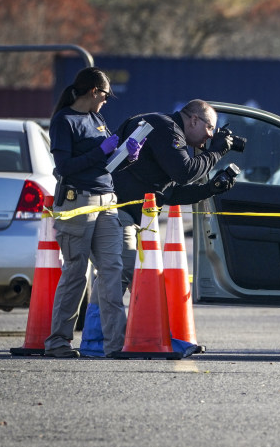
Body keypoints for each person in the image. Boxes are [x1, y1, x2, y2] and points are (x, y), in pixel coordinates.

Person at [82, 100, 235, 353]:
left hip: (120, 213)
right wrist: (217, 152)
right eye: (210, 129)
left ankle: (94, 341)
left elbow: (168, 193)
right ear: (194, 120)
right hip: (115, 213)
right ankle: (145, 340)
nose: (210, 137)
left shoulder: (163, 132)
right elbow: (185, 172)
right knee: (135, 272)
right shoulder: (165, 129)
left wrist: (210, 189)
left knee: (113, 276)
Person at [44, 67, 143, 358]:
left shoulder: (96, 118)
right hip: (78, 202)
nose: (106, 101)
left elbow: (107, 163)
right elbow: (65, 168)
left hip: (107, 200)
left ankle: (116, 345)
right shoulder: (64, 121)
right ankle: (58, 342)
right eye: (104, 95)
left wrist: (127, 156)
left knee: (111, 271)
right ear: (92, 92)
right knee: (76, 273)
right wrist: (102, 151)